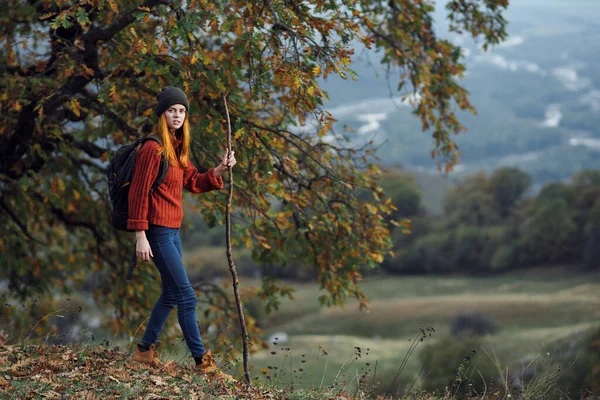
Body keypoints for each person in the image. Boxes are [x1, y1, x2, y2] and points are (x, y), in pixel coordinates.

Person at [128, 86, 237, 383]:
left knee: (171, 293)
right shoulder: (154, 149)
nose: (177, 115)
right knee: (187, 296)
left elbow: (194, 181)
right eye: (172, 110)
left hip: (172, 230)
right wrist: (140, 235)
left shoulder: (177, 147)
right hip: (157, 232)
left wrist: (220, 169)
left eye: (182, 111)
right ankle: (204, 365)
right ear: (162, 114)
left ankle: (144, 353)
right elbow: (137, 194)